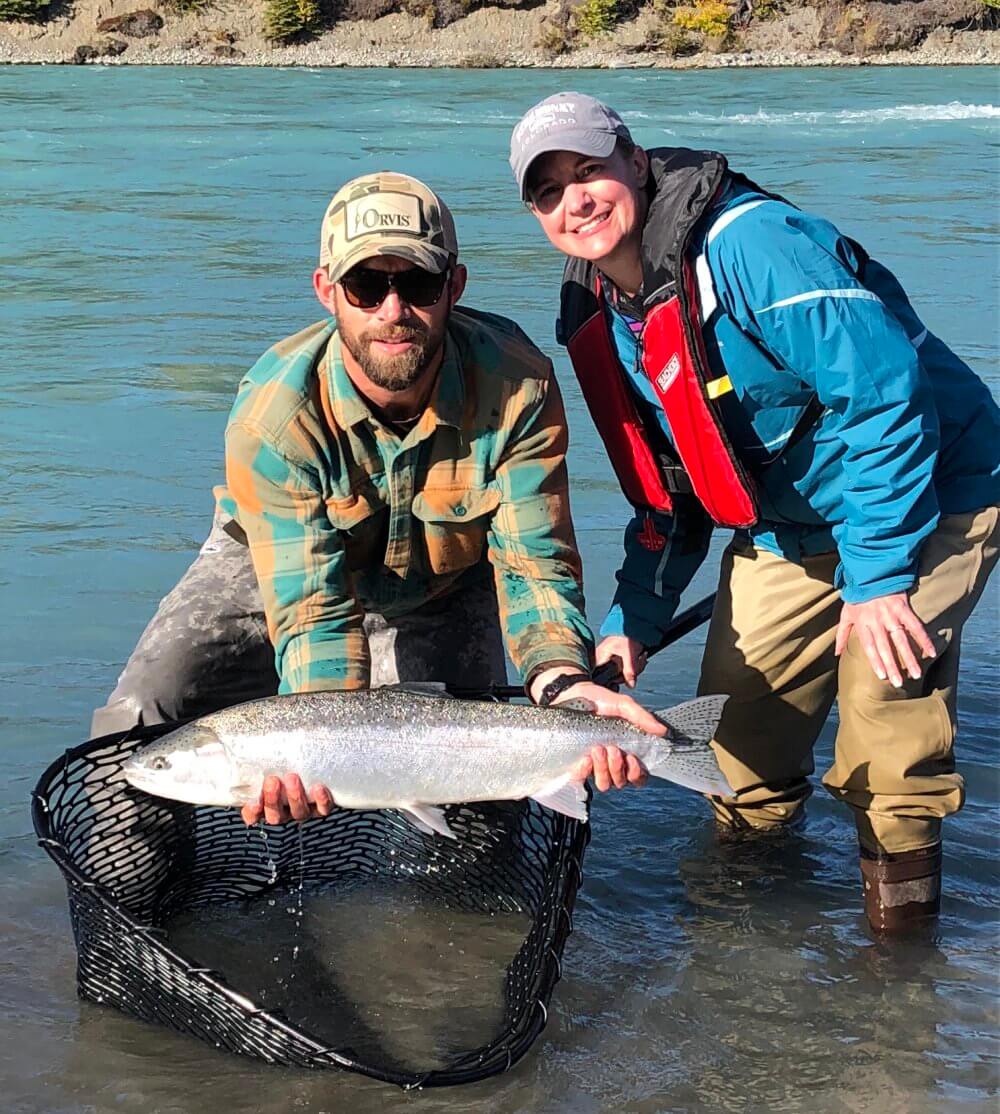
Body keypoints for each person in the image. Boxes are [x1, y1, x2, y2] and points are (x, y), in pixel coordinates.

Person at [509, 93, 1000, 933]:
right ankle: (747, 936)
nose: (575, 201)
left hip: (928, 493)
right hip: (786, 523)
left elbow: (884, 396)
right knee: (736, 747)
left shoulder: (753, 245)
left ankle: (899, 976)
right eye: (549, 191)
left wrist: (877, 580)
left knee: (886, 737)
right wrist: (632, 619)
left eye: (589, 171)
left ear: (634, 161)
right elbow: (669, 489)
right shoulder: (595, 308)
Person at [92, 170, 663, 824]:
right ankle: (146, 881)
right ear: (326, 291)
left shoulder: (517, 386)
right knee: (143, 710)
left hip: (445, 582)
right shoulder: (276, 415)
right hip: (270, 566)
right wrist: (313, 751)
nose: (393, 311)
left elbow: (534, 562)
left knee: (481, 820)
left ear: (455, 287)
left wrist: (566, 685)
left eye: (417, 284)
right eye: (367, 286)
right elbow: (310, 610)